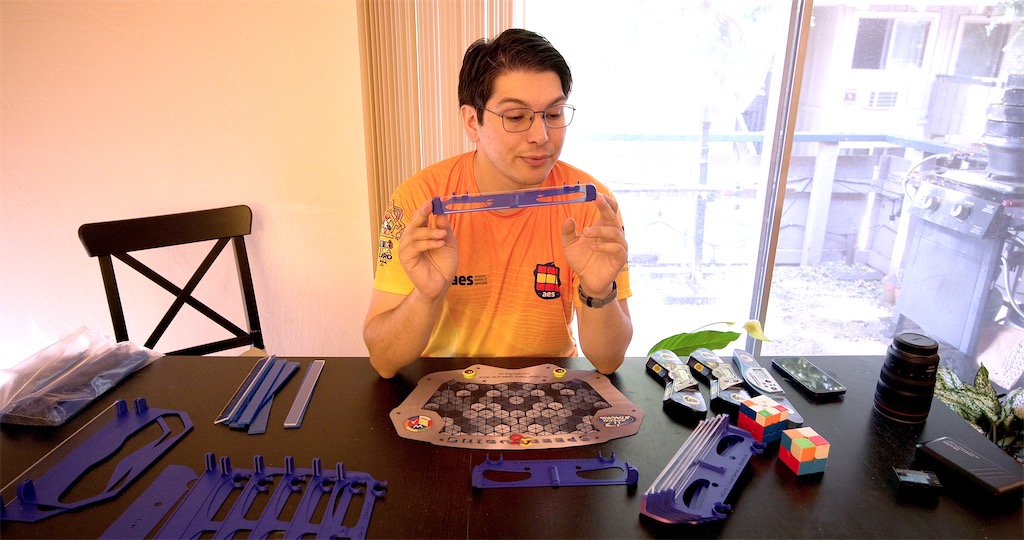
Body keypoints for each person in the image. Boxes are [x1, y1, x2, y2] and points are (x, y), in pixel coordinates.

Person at [363, 28, 632, 379]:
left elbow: (608, 361)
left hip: (550, 389)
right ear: (472, 121)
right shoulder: (421, 202)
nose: (541, 136)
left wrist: (599, 289)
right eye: (516, 117)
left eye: (553, 114)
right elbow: (383, 361)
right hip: (444, 391)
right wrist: (427, 297)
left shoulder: (591, 203)